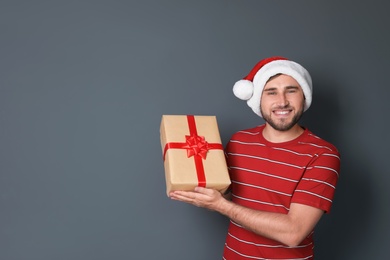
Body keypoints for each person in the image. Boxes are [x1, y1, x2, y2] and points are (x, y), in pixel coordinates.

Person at [169, 56, 341, 259]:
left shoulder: (322, 154)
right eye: (271, 92)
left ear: (304, 96)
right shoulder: (239, 141)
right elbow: (232, 195)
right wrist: (195, 187)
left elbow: (294, 232)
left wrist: (220, 205)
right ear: (259, 98)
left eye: (291, 90)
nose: (282, 101)